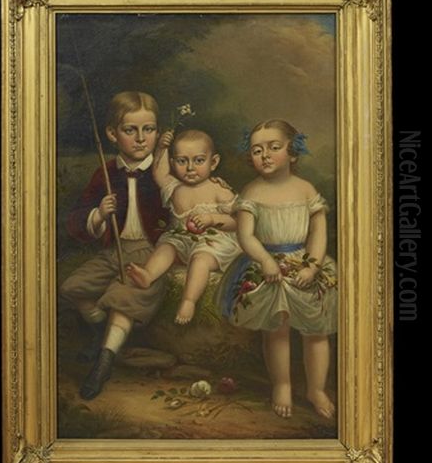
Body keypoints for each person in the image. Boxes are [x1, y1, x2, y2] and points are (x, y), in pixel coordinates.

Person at [215, 119, 337, 419]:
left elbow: (318, 233)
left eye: (274, 147)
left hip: (304, 263)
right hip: (267, 265)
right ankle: (282, 385)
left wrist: (312, 266)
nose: (265, 155)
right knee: (276, 329)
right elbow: (246, 236)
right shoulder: (252, 192)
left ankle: (316, 389)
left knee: (317, 331)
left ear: (292, 153)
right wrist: (266, 261)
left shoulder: (306, 189)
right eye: (257, 150)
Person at [60, 91, 169, 400]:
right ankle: (99, 333)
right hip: (114, 250)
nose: (141, 139)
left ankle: (104, 363)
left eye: (148, 129)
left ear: (157, 131)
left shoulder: (164, 171)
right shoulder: (105, 173)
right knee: (72, 287)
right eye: (130, 130)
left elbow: (184, 206)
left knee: (123, 297)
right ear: (111, 133)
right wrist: (99, 214)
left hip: (150, 252)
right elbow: (77, 218)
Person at [126, 129, 241, 324]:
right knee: (167, 247)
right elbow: (159, 172)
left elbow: (238, 221)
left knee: (200, 259)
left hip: (213, 245)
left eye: (199, 160)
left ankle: (189, 300)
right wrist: (162, 148)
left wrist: (212, 219)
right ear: (173, 163)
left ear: (213, 162)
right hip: (182, 240)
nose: (190, 168)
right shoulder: (175, 187)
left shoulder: (219, 190)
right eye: (182, 161)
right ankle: (148, 275)